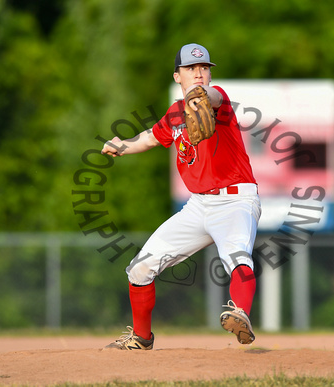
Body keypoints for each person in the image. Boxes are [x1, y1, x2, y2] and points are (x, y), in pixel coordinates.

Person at [101, 43, 261, 350]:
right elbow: (150, 138)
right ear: (177, 76)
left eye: (204, 68)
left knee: (239, 258)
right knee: (139, 268)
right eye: (191, 69)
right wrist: (122, 145)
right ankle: (141, 338)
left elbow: (211, 97)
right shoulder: (175, 114)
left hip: (236, 199)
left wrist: (201, 97)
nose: (199, 73)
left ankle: (239, 314)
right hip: (199, 205)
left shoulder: (217, 99)